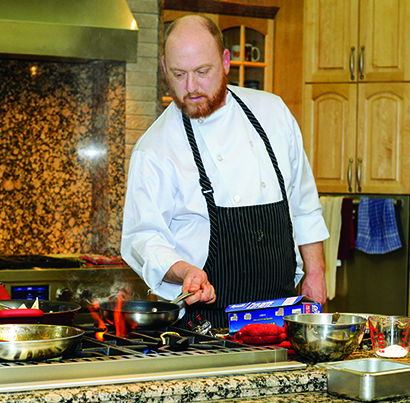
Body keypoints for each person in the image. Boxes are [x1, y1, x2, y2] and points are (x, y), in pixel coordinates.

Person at [120, 15, 329, 329]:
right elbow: (144, 239)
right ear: (164, 68)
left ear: (225, 61)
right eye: (179, 74)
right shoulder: (155, 148)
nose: (191, 88)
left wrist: (315, 273)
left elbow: (303, 203)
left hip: (282, 317)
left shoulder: (272, 113)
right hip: (206, 327)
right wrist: (183, 271)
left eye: (203, 72)